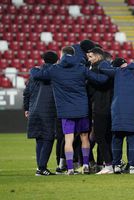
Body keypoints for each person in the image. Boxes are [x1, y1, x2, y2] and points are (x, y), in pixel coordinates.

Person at [30, 46, 109, 175]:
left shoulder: (55, 69)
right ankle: (85, 165)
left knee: (68, 139)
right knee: (84, 137)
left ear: (62, 55)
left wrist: (32, 68)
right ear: (74, 55)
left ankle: (71, 168)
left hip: (65, 110)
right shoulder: (80, 68)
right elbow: (100, 80)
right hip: (82, 108)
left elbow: (37, 75)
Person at [23, 51, 59, 176]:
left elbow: (26, 92)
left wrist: (27, 108)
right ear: (56, 61)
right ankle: (42, 167)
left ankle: (40, 168)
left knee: (39, 139)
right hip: (49, 110)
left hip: (34, 110)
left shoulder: (34, 73)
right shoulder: (55, 73)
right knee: (48, 138)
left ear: (44, 60)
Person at [86, 47, 114, 174]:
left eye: (91, 57)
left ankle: (108, 165)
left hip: (101, 107)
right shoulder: (103, 68)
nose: (89, 60)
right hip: (108, 107)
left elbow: (101, 82)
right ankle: (110, 164)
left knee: (100, 136)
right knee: (106, 137)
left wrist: (86, 74)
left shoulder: (100, 68)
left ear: (97, 57)